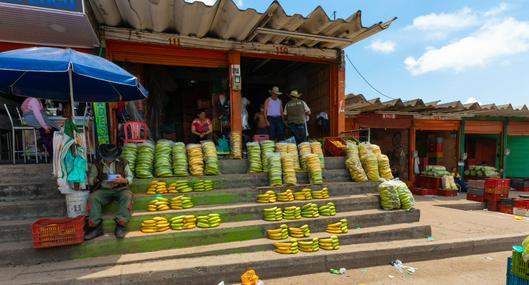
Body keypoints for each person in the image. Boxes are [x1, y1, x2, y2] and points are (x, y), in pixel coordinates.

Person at [85, 144, 133, 240]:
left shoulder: (123, 162)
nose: (109, 160)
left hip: (120, 189)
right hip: (103, 190)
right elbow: (90, 180)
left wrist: (123, 180)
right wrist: (96, 180)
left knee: (127, 196)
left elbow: (130, 177)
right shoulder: (97, 163)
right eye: (107, 158)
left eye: (111, 158)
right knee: (93, 198)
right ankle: (96, 227)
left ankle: (120, 225)